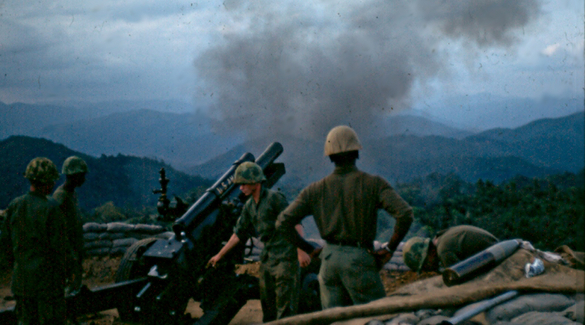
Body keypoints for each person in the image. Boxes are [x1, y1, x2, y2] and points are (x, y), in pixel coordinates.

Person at [276, 125, 414, 309]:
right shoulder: (373, 184)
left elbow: (282, 223)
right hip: (360, 259)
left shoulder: (315, 190)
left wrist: (309, 249)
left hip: (329, 261)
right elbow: (405, 214)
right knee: (376, 317)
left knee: (335, 319)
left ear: (330, 156)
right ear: (357, 152)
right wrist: (390, 248)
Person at [207, 161, 310, 322]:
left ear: (255, 181)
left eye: (243, 184)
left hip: (285, 258)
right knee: (268, 309)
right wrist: (219, 255)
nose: (240, 188)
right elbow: (237, 234)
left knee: (286, 309)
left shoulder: (274, 198)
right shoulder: (249, 206)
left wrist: (301, 251)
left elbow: (295, 223)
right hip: (268, 259)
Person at [0, 157, 71, 325]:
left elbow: (5, 244)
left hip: (22, 284)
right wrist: (67, 273)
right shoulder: (51, 208)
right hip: (47, 286)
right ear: (47, 182)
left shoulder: (15, 205)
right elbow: (60, 248)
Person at [53, 156, 88, 293]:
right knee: (67, 286)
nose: (84, 179)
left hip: (74, 248)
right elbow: (57, 228)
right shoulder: (60, 197)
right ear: (74, 175)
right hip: (67, 250)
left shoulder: (71, 194)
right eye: (82, 175)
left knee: (75, 283)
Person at [403, 225, 499, 273]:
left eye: (425, 265)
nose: (429, 270)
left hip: (497, 257)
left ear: (430, 252)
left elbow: (460, 279)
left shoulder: (443, 252)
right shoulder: (440, 239)